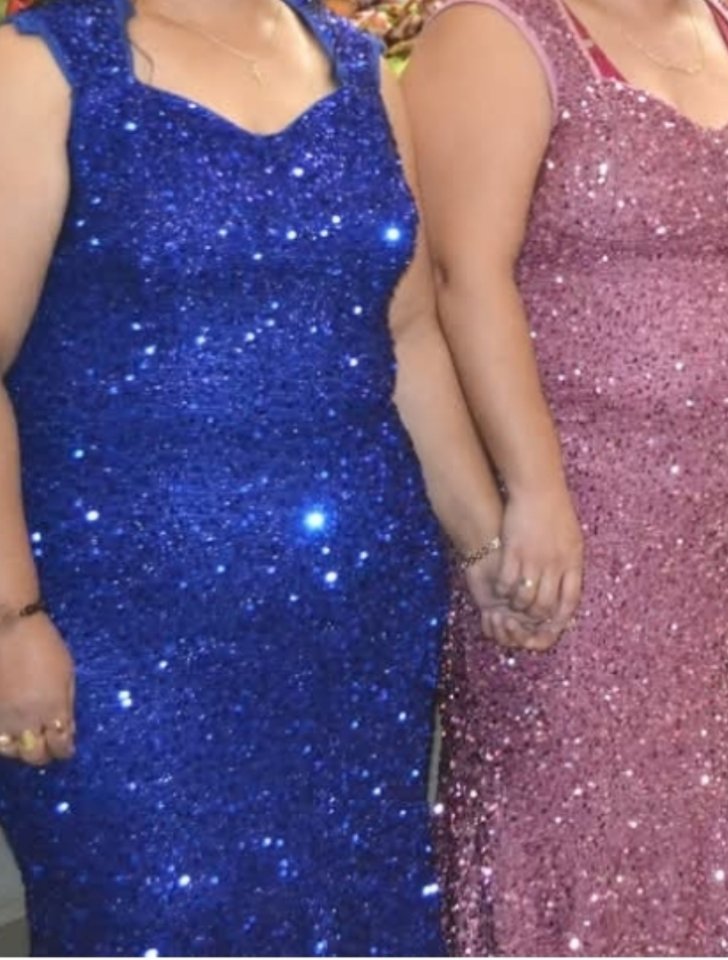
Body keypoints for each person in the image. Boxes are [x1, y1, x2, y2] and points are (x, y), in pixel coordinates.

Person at [0, 0, 529, 952]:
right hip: (123, 631)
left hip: (358, 622)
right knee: (154, 917)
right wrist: (10, 618)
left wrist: (482, 537)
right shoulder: (44, 68)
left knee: (352, 915)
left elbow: (406, 333)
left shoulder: (361, 70)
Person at [402, 0, 728, 952]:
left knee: (703, 788)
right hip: (582, 506)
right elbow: (462, 276)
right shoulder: (497, 30)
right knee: (573, 796)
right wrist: (535, 490)